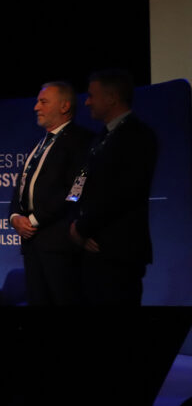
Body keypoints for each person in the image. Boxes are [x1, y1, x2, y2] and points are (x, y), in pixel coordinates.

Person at [69, 69, 157, 305]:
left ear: (111, 98)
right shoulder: (100, 138)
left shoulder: (138, 136)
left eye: (91, 96)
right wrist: (74, 219)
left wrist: (84, 227)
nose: (86, 102)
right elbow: (80, 181)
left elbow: (123, 194)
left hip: (119, 252)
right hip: (91, 251)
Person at [9, 82, 93, 305]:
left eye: (43, 102)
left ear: (64, 106)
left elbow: (74, 192)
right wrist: (15, 217)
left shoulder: (81, 140)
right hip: (32, 247)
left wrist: (34, 220)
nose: (36, 107)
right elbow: (21, 185)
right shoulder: (40, 143)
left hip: (60, 246)